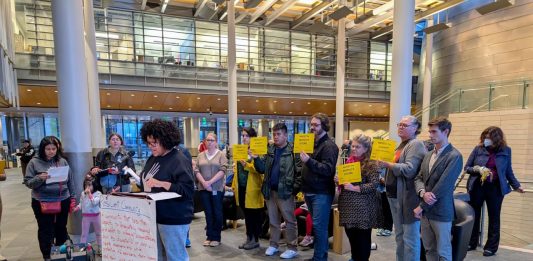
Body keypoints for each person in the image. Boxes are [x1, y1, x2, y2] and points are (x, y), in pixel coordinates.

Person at [138, 119, 195, 261]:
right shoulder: (153, 158)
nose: (151, 147)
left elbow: (187, 191)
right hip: (154, 215)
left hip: (174, 217)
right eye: (148, 143)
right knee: (158, 256)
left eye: (154, 143)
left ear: (165, 140)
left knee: (176, 257)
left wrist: (162, 183)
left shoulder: (179, 159)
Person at [464, 126, 524, 256]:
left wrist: (516, 185)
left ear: (496, 138)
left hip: (496, 188)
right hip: (477, 186)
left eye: (489, 137)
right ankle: (471, 242)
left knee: (494, 218)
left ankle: (491, 247)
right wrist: (478, 169)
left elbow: (508, 171)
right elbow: (467, 167)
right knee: (474, 215)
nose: (486, 139)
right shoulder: (478, 149)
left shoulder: (506, 151)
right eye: (484, 137)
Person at [378, 115, 427, 261]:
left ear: (415, 128)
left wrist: (387, 164)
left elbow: (409, 169)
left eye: (405, 125)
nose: (400, 127)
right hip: (393, 196)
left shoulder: (416, 144)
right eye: (400, 124)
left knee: (410, 239)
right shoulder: (399, 146)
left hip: (407, 198)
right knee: (399, 236)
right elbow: (392, 169)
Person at [414, 117, 463, 261]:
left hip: (441, 211)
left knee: (443, 252)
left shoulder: (455, 156)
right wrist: (422, 193)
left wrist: (421, 206)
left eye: (434, 131)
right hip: (426, 213)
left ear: (446, 132)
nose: (430, 135)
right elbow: (418, 178)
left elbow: (444, 185)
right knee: (429, 249)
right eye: (429, 131)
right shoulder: (429, 154)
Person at [253, 122, 302, 259]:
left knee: (289, 221)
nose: (275, 137)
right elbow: (262, 169)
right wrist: (256, 159)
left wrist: (294, 190)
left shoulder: (293, 150)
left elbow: (299, 172)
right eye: (274, 134)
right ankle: (274, 244)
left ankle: (292, 247)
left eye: (278, 134)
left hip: (286, 192)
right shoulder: (270, 149)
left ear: (286, 135)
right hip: (270, 190)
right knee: (273, 220)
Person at [24, 136, 76, 260]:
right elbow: (28, 182)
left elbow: (70, 181)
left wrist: (73, 197)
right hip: (42, 201)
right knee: (45, 230)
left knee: (61, 228)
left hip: (63, 199)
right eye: (48, 149)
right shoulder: (34, 162)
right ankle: (47, 255)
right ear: (43, 149)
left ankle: (60, 254)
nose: (51, 151)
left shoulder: (62, 161)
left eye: (54, 148)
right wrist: (39, 178)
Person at [299, 113, 339, 261]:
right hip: (310, 190)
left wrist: (309, 161)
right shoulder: (312, 142)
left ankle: (320, 258)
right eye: (311, 124)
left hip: (321, 192)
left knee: (320, 227)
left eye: (316, 125)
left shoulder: (329, 146)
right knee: (317, 227)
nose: (312, 127)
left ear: (324, 126)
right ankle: (318, 256)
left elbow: (328, 169)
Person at [338, 134, 381, 261]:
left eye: (358, 146)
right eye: (353, 146)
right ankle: (354, 257)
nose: (354, 148)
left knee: (362, 241)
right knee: (352, 238)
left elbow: (374, 185)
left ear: (366, 148)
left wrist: (355, 188)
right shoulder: (350, 161)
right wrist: (338, 180)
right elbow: (346, 183)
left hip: (363, 209)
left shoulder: (372, 164)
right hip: (348, 208)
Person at [232, 127, 264, 250]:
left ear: (252, 137)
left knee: (254, 215)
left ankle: (255, 239)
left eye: (246, 136)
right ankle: (248, 237)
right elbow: (237, 171)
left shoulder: (258, 152)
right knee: (247, 215)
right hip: (241, 187)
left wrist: (247, 165)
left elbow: (261, 171)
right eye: (243, 135)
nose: (244, 138)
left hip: (253, 188)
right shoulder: (241, 150)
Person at [194, 133, 227, 247]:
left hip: (216, 188)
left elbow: (223, 170)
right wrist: (204, 183)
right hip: (203, 189)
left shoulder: (221, 155)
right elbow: (196, 170)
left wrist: (210, 182)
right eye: (207, 140)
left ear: (216, 142)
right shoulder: (200, 155)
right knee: (208, 213)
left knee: (217, 213)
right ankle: (209, 236)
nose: (209, 142)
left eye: (212, 140)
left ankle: (216, 237)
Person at [74, 176, 102, 247]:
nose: (87, 187)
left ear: (94, 185)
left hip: (96, 216)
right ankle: (82, 248)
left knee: (98, 233)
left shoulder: (98, 193)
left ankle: (100, 247)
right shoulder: (83, 194)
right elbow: (81, 203)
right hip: (86, 217)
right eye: (86, 185)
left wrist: (90, 194)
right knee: (84, 234)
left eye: (89, 185)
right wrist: (77, 208)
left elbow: (95, 203)